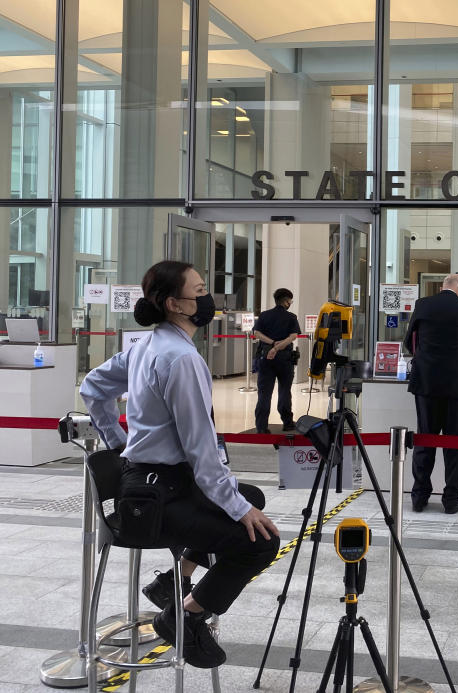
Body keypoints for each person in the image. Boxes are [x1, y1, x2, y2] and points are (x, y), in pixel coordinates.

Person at [80, 260, 280, 669]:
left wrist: (119, 446)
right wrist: (239, 509)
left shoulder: (146, 347)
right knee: (259, 540)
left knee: (251, 495)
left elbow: (92, 387)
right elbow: (201, 452)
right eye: (200, 290)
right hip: (162, 497)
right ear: (175, 303)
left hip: (146, 484)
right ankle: (185, 616)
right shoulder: (181, 360)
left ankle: (173, 581)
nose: (208, 299)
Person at [404, 274, 458, 514]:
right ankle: (451, 500)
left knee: (425, 439)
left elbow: (409, 343)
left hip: (427, 384)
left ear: (442, 288)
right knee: (455, 443)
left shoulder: (423, 305)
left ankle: (419, 498)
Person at [253, 288, 301, 433]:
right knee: (285, 391)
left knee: (264, 394)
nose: (290, 303)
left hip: (265, 358)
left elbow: (256, 333)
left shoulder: (264, 315)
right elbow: (293, 336)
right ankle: (287, 423)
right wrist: (279, 347)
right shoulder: (291, 317)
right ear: (286, 302)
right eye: (290, 301)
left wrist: (272, 344)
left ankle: (261, 427)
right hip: (285, 359)